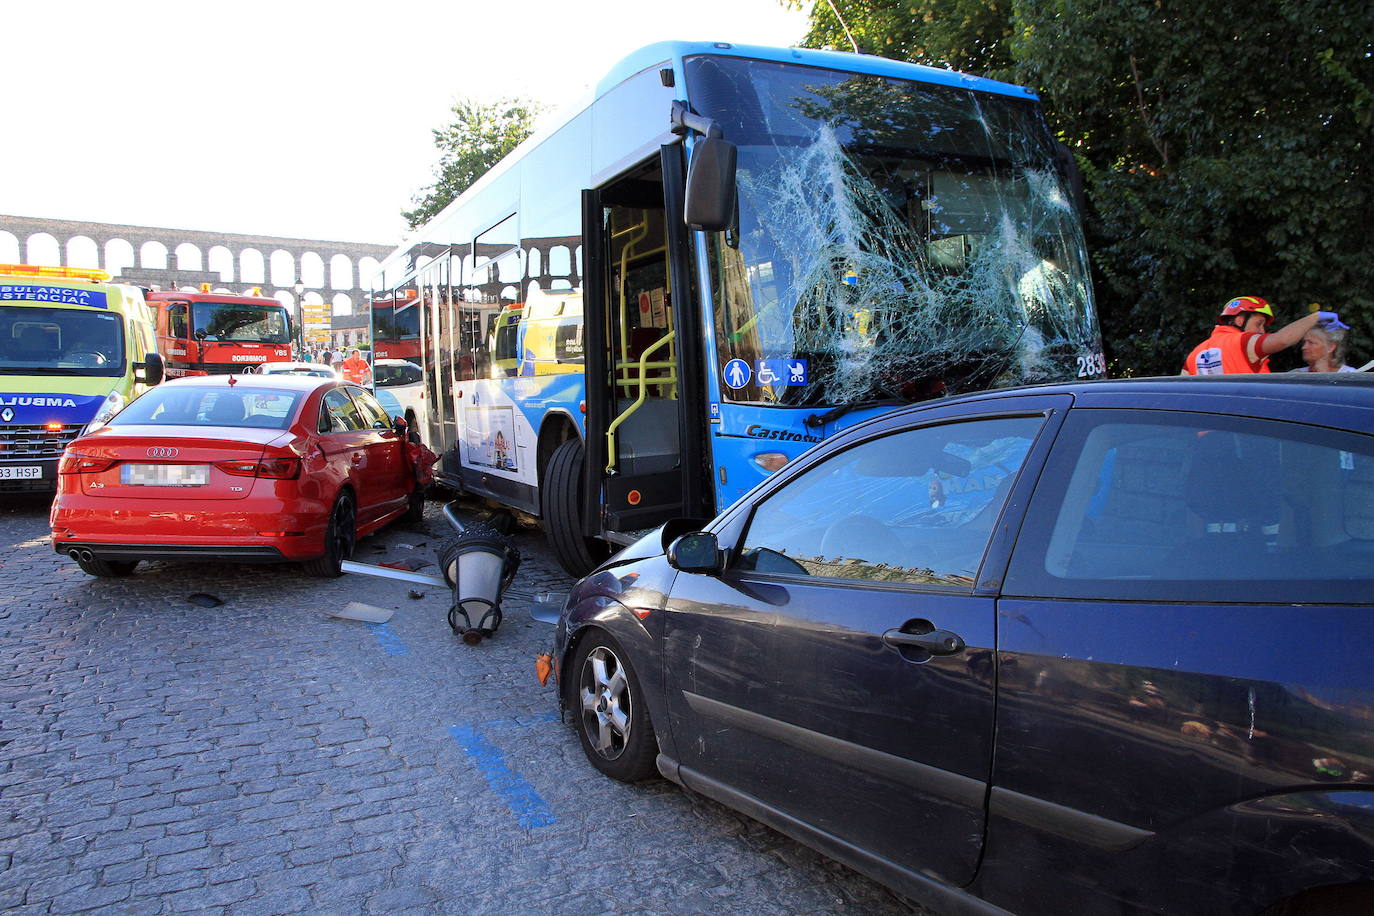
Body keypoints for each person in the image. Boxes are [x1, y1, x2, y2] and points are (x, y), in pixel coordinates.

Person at [1182, 297, 1343, 375]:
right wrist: (1316, 317)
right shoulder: (1242, 342)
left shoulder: (1195, 354)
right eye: (1258, 323)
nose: (1262, 331)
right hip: (1246, 424)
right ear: (1239, 320)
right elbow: (1281, 340)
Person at [1290, 321, 1357, 373]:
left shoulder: (1349, 375)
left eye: (1311, 343)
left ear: (1330, 347)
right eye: (1304, 342)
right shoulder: (1296, 374)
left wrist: (1323, 374)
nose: (1304, 347)